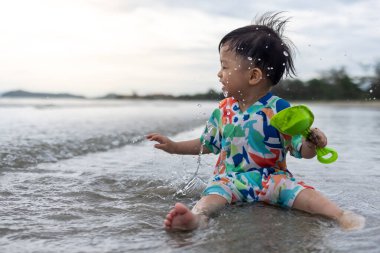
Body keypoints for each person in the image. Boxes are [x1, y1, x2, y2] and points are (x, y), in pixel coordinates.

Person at [146, 12, 365, 231]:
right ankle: (197, 218)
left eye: (225, 66)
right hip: (230, 179)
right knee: (212, 196)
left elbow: (301, 149)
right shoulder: (223, 110)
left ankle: (340, 215)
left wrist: (314, 142)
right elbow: (207, 143)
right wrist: (174, 147)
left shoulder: (279, 110)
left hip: (272, 178)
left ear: (253, 76)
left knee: (304, 194)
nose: (219, 74)